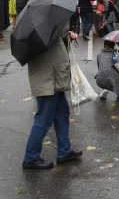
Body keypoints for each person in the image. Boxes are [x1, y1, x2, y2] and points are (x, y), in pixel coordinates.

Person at [22, 14, 82, 169]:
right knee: (44, 119)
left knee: (62, 113)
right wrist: (66, 31)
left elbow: (56, 40)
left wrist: (66, 36)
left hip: (54, 77)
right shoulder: (41, 22)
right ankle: (30, 157)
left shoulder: (44, 22)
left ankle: (64, 150)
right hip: (48, 78)